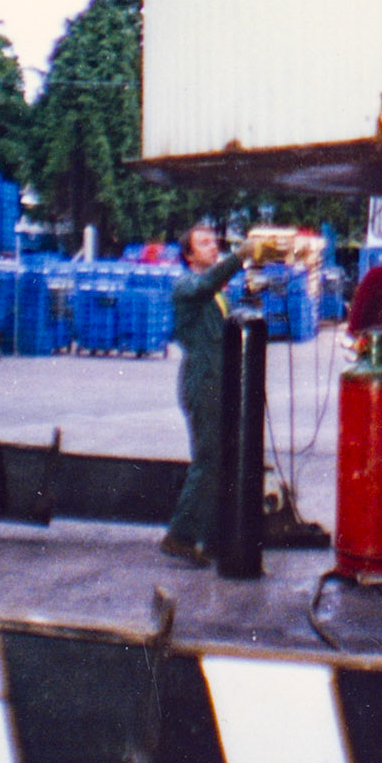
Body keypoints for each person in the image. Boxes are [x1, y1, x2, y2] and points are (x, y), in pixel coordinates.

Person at [161, 222, 251, 566]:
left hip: (221, 380)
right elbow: (203, 284)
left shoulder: (217, 293)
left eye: (214, 241)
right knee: (208, 458)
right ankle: (180, 534)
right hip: (204, 381)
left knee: (225, 459)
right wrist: (238, 258)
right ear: (188, 255)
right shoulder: (187, 285)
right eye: (204, 243)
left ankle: (212, 534)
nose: (213, 246)